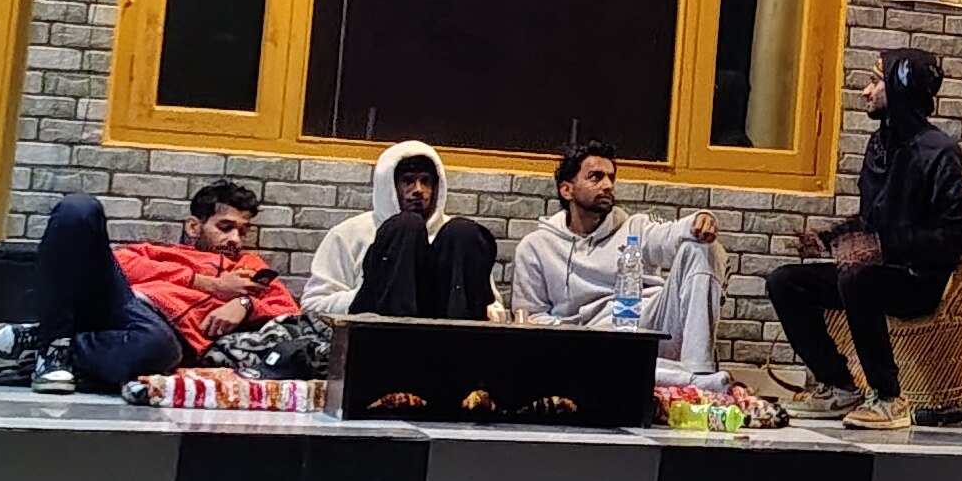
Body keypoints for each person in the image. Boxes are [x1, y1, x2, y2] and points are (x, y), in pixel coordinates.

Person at [763, 47, 962, 430]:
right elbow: (871, 220)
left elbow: (957, 235)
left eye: (876, 81)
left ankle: (889, 397)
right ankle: (839, 386)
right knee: (785, 281)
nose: (865, 90)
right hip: (877, 272)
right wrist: (829, 239)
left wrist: (883, 247)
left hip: (919, 281)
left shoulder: (939, 152)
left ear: (900, 86)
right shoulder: (879, 145)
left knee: (857, 278)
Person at [510, 141, 723, 372]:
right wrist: (575, 334)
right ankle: (671, 375)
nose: (608, 185)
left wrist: (698, 221)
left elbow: (669, 236)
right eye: (595, 177)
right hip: (588, 342)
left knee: (701, 247)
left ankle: (699, 372)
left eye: (611, 178)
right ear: (567, 190)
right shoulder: (535, 247)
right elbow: (530, 318)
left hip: (647, 323)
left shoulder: (634, 228)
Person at [0, 194, 185, 396]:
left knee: (161, 347)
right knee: (79, 209)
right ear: (194, 226)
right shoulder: (179, 255)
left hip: (150, 337)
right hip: (122, 303)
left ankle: (46, 343)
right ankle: (53, 343)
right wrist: (194, 279)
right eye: (218, 227)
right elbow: (125, 262)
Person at [301, 139, 494, 318]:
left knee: (464, 231)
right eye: (408, 181)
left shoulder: (458, 240)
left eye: (425, 181)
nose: (418, 190)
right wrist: (368, 296)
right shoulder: (349, 234)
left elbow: (494, 310)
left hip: (450, 338)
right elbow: (313, 304)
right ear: (390, 185)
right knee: (405, 228)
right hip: (375, 337)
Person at [116, 179, 301, 358]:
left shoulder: (249, 266)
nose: (235, 239)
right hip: (132, 307)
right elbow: (115, 265)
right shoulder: (165, 253)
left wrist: (246, 304)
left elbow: (291, 314)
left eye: (243, 232)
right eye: (225, 227)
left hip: (167, 333)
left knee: (158, 345)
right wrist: (209, 284)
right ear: (194, 227)